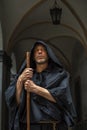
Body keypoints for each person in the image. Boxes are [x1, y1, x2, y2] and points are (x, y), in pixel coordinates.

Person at [5, 40, 76, 130]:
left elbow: (63, 98)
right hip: (29, 127)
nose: (39, 52)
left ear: (49, 54)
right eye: (36, 50)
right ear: (33, 56)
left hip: (54, 126)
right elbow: (16, 103)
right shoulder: (24, 76)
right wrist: (20, 80)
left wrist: (35, 89)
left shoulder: (60, 75)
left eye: (43, 50)